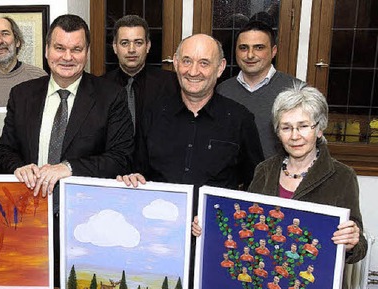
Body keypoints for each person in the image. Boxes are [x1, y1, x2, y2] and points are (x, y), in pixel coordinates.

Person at [0, 14, 133, 288]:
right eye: (60, 48)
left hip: (87, 225)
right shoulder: (22, 95)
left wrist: (68, 168)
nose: (67, 57)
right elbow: (4, 150)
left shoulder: (111, 96)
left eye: (76, 49)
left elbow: (121, 157)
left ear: (87, 52)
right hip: (29, 221)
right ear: (47, 51)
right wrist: (17, 167)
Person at [119, 33, 264, 196]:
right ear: (175, 63)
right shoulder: (152, 114)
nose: (193, 72)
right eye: (187, 61)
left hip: (213, 220)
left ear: (220, 68)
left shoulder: (240, 120)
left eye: (204, 63)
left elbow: (256, 185)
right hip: (159, 216)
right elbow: (137, 171)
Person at [248, 85, 367, 270]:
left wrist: (352, 242)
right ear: (277, 133)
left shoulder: (342, 176)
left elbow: (360, 247)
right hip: (268, 273)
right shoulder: (264, 170)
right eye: (286, 128)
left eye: (303, 126)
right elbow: (249, 222)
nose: (295, 136)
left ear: (319, 129)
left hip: (314, 276)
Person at [216, 20, 303, 158]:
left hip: (279, 177)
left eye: (259, 47)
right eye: (243, 48)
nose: (250, 55)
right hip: (233, 177)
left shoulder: (297, 91)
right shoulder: (222, 90)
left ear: (273, 51)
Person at [103, 15, 178, 131]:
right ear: (115, 47)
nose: (131, 50)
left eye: (138, 43)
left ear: (148, 46)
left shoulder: (170, 84)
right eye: (124, 43)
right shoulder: (102, 86)